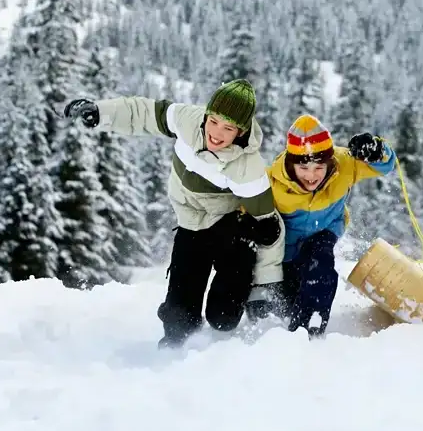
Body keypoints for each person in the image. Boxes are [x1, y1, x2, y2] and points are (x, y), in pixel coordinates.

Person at [63, 79, 284, 348]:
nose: (216, 133)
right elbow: (143, 112)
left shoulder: (248, 169)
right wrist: (102, 112)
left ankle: (239, 291)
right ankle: (175, 347)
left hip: (230, 229)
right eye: (213, 121)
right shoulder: (187, 120)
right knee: (180, 318)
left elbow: (269, 229)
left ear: (241, 131)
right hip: (190, 222)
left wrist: (263, 287)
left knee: (223, 318)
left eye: (228, 128)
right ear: (206, 115)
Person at [259, 114, 396, 337]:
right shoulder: (273, 182)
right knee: (287, 298)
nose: (311, 176)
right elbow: (245, 206)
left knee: (320, 266)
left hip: (324, 231)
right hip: (285, 249)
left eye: (318, 167)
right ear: (291, 164)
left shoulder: (345, 164)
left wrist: (377, 149)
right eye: (303, 168)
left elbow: (386, 165)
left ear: (329, 162)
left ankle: (309, 329)